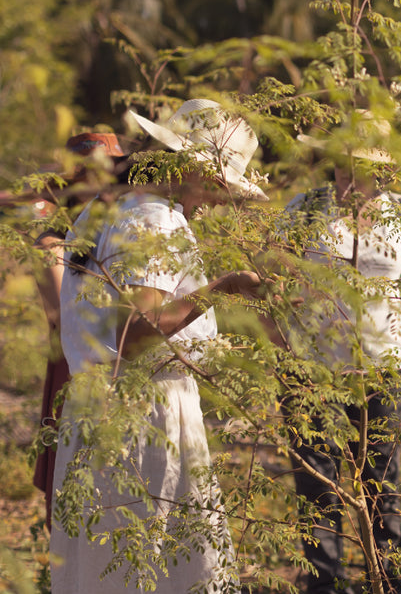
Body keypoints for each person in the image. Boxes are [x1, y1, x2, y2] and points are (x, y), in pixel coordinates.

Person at [50, 99, 268, 594]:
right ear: (193, 169)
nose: (217, 201)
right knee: (153, 562)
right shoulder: (153, 219)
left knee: (108, 563)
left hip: (96, 406)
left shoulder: (106, 208)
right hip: (144, 415)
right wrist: (224, 287)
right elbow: (139, 333)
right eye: (217, 186)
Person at [279, 110, 401, 594]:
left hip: (384, 365)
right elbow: (275, 283)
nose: (350, 169)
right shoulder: (305, 208)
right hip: (315, 368)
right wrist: (284, 350)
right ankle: (325, 582)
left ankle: (388, 579)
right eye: (343, 158)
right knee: (318, 480)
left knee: (381, 479)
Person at [32, 132, 126, 531]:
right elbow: (61, 313)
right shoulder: (52, 243)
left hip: (118, 358)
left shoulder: (121, 229)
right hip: (75, 366)